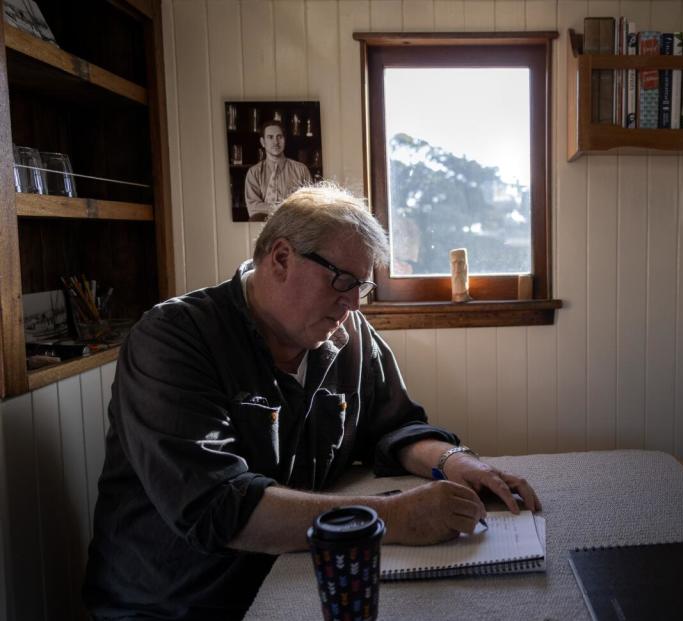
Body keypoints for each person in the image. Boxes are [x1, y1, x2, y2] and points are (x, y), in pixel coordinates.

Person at [83, 182, 541, 620]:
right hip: (181, 603)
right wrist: (395, 517)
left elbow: (394, 426)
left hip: (294, 573)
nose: (353, 305)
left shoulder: (346, 333)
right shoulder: (173, 339)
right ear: (281, 257)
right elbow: (216, 507)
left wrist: (454, 461)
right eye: (342, 280)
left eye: (361, 287)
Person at [243, 119, 312, 221]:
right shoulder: (254, 173)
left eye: (279, 137)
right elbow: (254, 208)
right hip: (264, 227)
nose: (276, 142)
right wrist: (285, 209)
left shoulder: (301, 170)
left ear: (285, 140)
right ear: (263, 142)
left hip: (294, 226)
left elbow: (309, 203)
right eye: (270, 137)